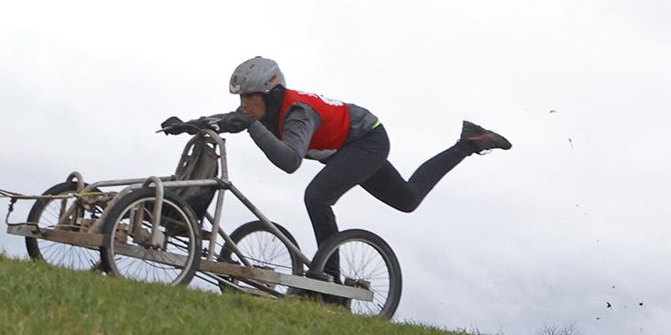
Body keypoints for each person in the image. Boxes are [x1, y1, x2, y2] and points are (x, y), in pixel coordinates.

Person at [207, 56, 511, 279]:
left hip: (368, 140)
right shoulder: (261, 111)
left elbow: (290, 162)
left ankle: (328, 280)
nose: (243, 105)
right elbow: (231, 119)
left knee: (317, 197)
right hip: (348, 147)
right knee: (407, 199)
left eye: (249, 97)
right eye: (241, 99)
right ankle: (469, 142)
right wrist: (191, 125)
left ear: (270, 93)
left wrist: (250, 127)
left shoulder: (298, 113)